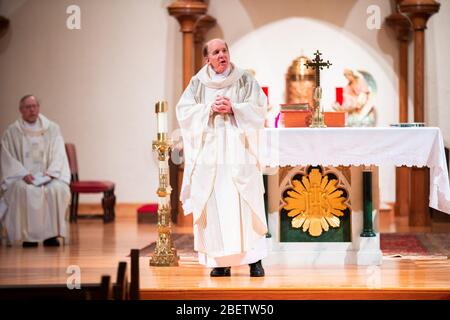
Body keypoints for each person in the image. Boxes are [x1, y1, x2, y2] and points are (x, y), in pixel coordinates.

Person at [175, 38, 268, 277]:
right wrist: (208, 109)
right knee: (214, 204)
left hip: (240, 152)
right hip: (211, 156)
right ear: (208, 58)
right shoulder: (197, 83)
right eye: (215, 52)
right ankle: (220, 262)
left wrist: (235, 107)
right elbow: (183, 112)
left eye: (224, 50)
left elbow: (259, 108)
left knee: (246, 202)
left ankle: (254, 261)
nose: (221, 55)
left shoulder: (244, 79)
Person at [0, 94, 71, 247]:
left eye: (34, 106)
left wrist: (51, 173)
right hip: (22, 177)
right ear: (21, 110)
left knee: (56, 190)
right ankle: (27, 238)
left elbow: (59, 153)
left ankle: (51, 236)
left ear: (38, 108)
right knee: (22, 190)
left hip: (48, 176)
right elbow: (8, 158)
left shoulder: (52, 128)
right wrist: (23, 174)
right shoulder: (12, 131)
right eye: (28, 107)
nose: (32, 110)